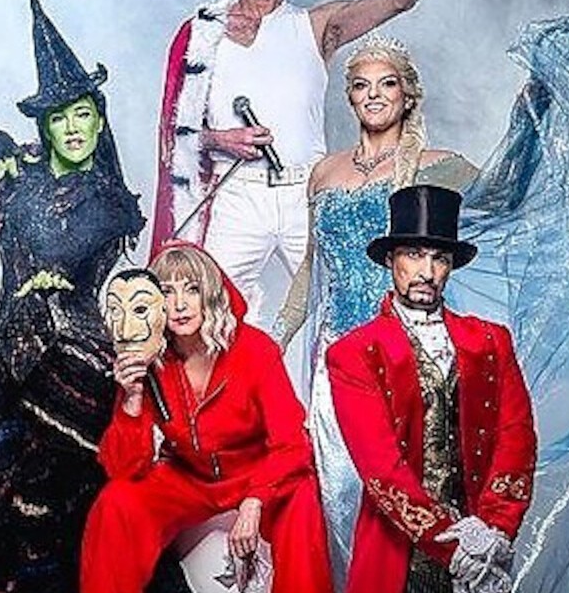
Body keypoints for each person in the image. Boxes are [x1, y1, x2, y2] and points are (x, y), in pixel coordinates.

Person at [150, 0, 437, 332]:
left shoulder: (316, 26)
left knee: (345, 307)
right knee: (207, 316)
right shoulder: (204, 36)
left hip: (306, 192)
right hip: (236, 197)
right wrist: (219, 139)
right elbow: (175, 132)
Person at [0, 0, 148, 593]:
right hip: (10, 358)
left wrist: (14, 179)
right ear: (44, 125)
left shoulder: (110, 201)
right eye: (59, 118)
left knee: (52, 509)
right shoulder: (25, 175)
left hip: (72, 365)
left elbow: (62, 247)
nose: (72, 129)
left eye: (81, 115)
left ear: (98, 119)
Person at [269, 36, 476, 585]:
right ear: (350, 97)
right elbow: (312, 266)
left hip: (405, 356)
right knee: (339, 496)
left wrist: (534, 125)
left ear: (408, 95)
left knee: (404, 498)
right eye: (362, 86)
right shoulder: (324, 173)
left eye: (387, 84)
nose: (374, 95)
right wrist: (276, 338)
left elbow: (502, 204)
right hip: (335, 360)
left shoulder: (440, 166)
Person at [81, 242, 334, 593]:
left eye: (192, 289)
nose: (180, 304)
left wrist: (255, 499)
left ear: (211, 294)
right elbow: (124, 467)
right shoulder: (151, 358)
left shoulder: (255, 349)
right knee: (117, 502)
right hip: (191, 478)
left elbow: (292, 444)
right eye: (167, 292)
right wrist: (132, 400)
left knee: (302, 499)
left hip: (257, 473)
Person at [326, 185, 537, 593]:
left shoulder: (491, 340)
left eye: (439, 258)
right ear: (390, 260)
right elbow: (380, 467)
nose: (427, 271)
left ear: (450, 267)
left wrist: (494, 531)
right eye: (413, 255)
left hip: (481, 542)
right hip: (398, 550)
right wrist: (452, 548)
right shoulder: (353, 353)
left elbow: (517, 438)